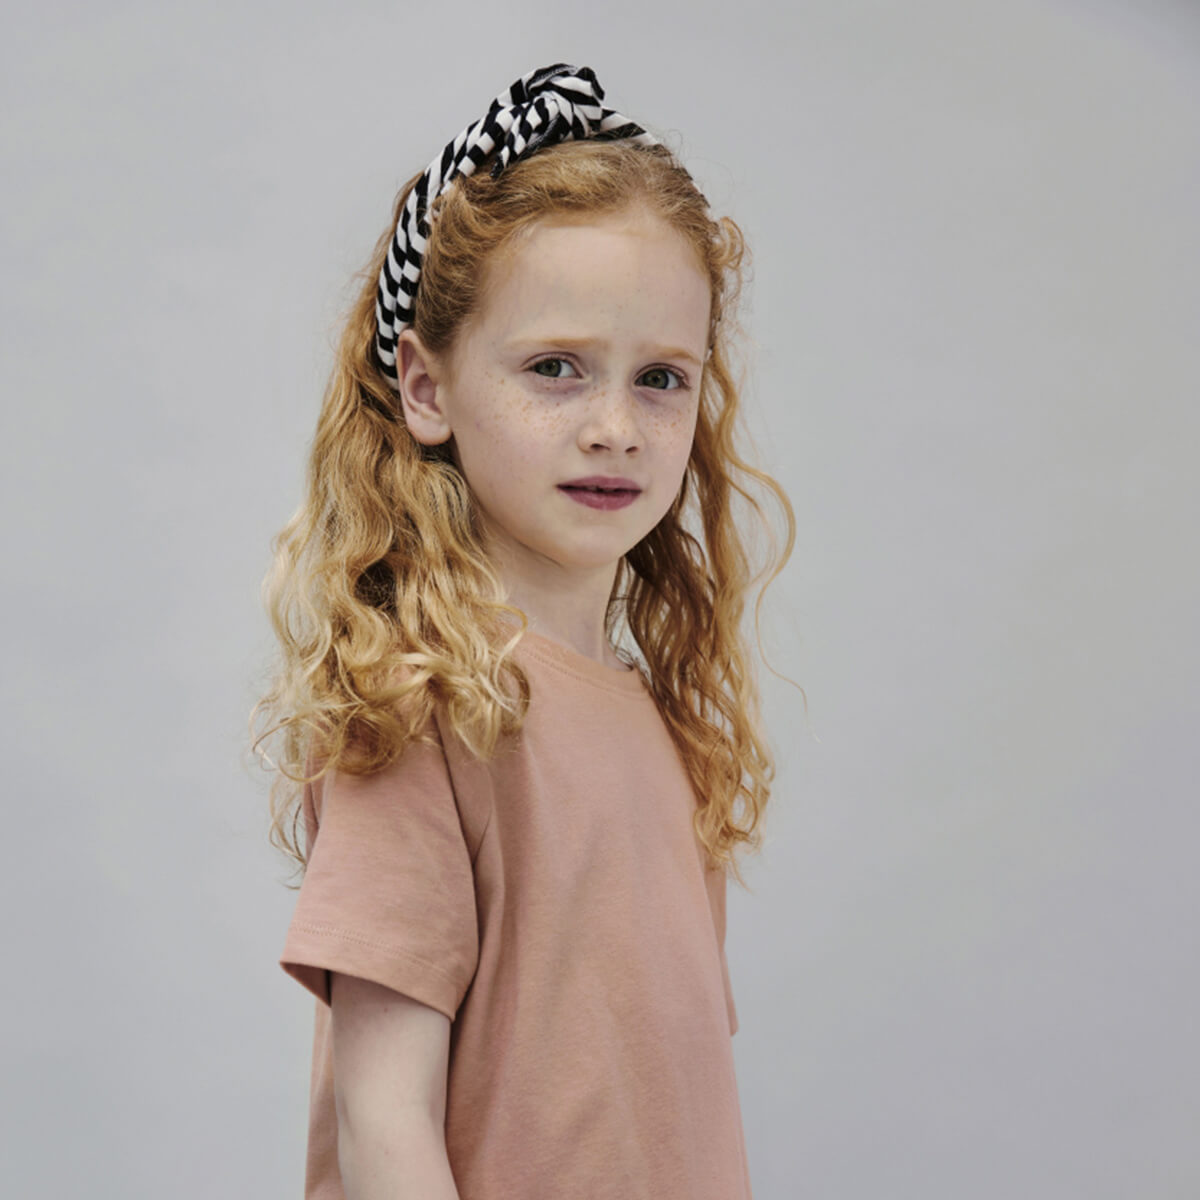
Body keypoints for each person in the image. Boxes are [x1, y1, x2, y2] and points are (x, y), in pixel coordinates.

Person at [252, 62, 797, 1200]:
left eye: (661, 378)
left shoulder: (666, 730)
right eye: (556, 369)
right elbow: (384, 1123)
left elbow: (669, 1119)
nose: (616, 427)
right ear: (426, 388)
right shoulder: (421, 709)